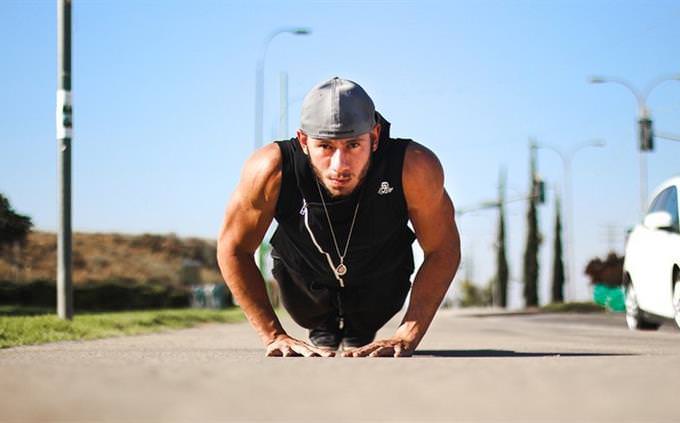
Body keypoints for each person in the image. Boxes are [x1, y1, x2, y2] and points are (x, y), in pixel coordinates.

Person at [217, 77, 460, 358]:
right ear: (304, 141)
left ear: (375, 137)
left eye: (353, 145)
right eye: (326, 147)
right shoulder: (269, 169)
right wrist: (273, 335)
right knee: (319, 326)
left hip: (380, 284)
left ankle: (359, 327)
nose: (339, 166)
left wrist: (408, 333)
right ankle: (324, 326)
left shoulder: (414, 166)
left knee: (362, 328)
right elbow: (233, 247)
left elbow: (442, 248)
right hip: (304, 287)